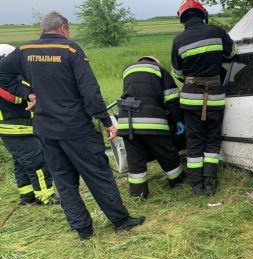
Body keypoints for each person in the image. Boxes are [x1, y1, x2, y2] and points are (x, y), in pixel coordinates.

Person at [0, 12, 145, 240]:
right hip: (76, 128)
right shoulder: (70, 50)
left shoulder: (24, 50)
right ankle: (120, 220)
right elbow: (90, 91)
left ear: (43, 29)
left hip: (46, 130)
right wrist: (107, 122)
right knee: (97, 173)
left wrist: (27, 93)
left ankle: (83, 230)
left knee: (64, 181)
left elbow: (3, 74)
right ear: (64, 28)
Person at [171, 0, 236, 196]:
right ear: (203, 15)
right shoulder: (216, 31)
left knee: (194, 141)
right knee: (213, 140)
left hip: (191, 98)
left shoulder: (178, 40)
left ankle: (196, 184)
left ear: (183, 19)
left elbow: (177, 72)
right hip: (215, 96)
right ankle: (210, 182)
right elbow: (232, 53)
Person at [117, 56, 185, 198]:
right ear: (155, 63)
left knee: (135, 159)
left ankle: (138, 194)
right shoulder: (159, 70)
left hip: (126, 121)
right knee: (166, 152)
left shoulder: (127, 70)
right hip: (151, 119)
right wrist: (178, 119)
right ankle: (178, 182)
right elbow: (171, 98)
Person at [0, 44, 57, 205]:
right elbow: (16, 98)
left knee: (21, 162)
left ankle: (27, 195)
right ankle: (46, 196)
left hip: (15, 129)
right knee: (37, 161)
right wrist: (30, 86)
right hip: (15, 129)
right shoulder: (5, 81)